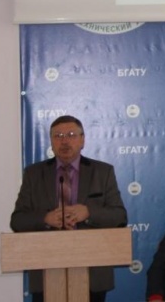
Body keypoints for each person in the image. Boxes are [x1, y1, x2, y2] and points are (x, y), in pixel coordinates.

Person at [10, 115, 128, 302]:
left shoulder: (102, 172)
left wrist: (88, 213)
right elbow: (17, 220)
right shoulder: (34, 174)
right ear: (51, 141)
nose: (64, 141)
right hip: (45, 271)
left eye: (71, 135)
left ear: (82, 140)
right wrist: (45, 219)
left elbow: (119, 216)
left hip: (93, 272)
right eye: (58, 136)